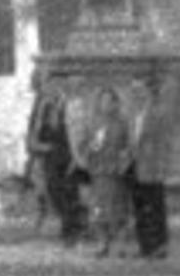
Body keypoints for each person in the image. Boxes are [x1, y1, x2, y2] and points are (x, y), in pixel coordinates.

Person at [25, 68, 86, 246]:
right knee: (54, 192)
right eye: (49, 85)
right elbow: (36, 128)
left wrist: (77, 156)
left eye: (56, 85)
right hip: (50, 154)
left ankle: (71, 231)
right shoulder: (43, 105)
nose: (52, 88)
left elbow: (79, 131)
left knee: (69, 192)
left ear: (61, 86)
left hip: (68, 153)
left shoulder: (70, 103)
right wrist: (36, 144)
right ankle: (73, 224)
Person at [80, 87, 133, 257]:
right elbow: (86, 145)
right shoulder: (93, 123)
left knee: (119, 210)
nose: (106, 105)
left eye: (110, 101)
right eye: (103, 101)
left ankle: (121, 244)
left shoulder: (122, 122)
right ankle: (102, 243)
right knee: (98, 210)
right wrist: (91, 147)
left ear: (115, 103)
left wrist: (125, 161)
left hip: (116, 172)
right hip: (99, 172)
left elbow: (128, 146)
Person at [128, 78, 173, 260]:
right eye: (134, 92)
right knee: (140, 209)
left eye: (140, 91)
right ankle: (144, 246)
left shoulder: (157, 113)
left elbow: (165, 142)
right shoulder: (131, 115)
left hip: (153, 167)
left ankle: (159, 246)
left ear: (147, 93)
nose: (137, 95)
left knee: (155, 208)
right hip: (134, 167)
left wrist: (163, 165)